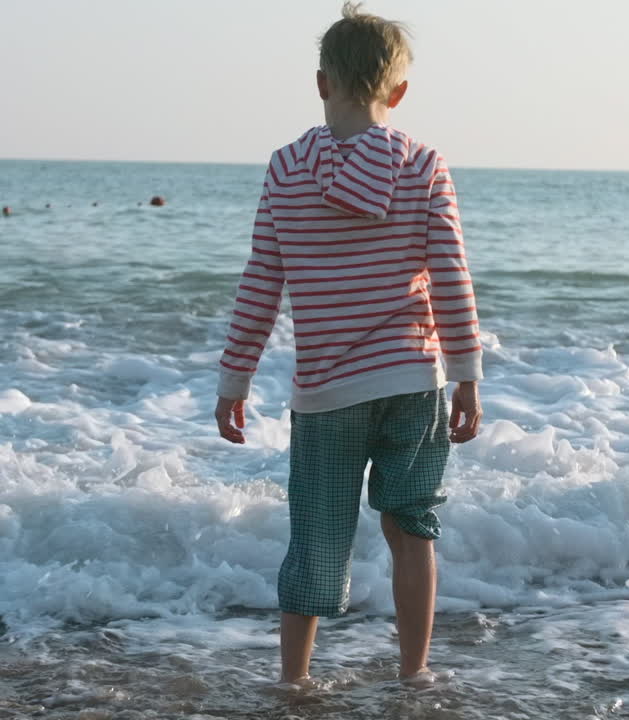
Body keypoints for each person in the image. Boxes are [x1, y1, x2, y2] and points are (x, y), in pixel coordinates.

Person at [212, 1, 484, 686]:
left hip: (326, 393)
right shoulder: (423, 166)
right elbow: (450, 276)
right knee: (412, 526)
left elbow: (260, 286)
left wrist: (234, 381)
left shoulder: (285, 169)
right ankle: (414, 673)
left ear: (322, 83)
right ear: (398, 92)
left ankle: (294, 679)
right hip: (410, 383)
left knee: (317, 539)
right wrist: (468, 372)